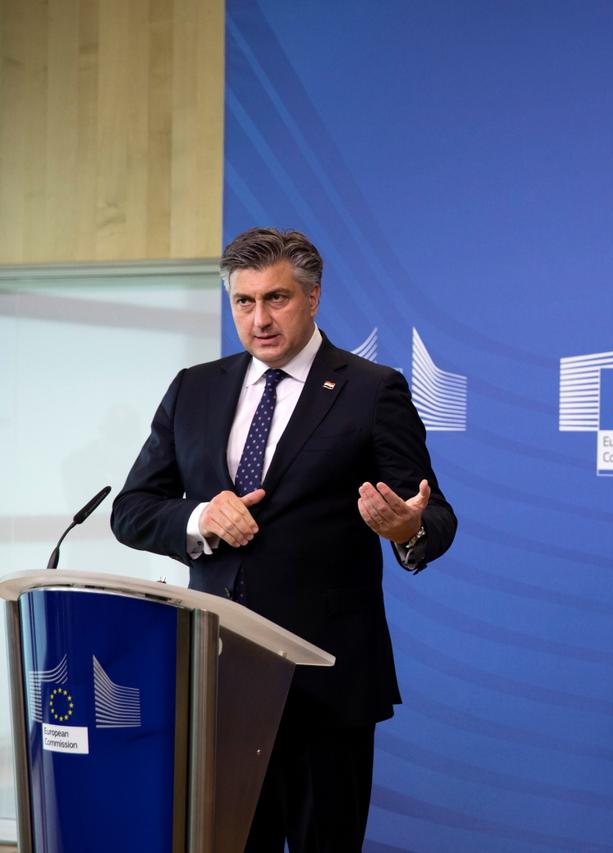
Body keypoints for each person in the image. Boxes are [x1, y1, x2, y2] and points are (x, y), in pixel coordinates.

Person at [111, 227, 457, 851]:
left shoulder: (371, 390)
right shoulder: (196, 387)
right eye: (243, 302)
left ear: (314, 298)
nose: (259, 319)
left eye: (277, 299)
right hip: (214, 680)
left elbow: (434, 515)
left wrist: (407, 528)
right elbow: (132, 510)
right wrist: (198, 519)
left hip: (326, 681)